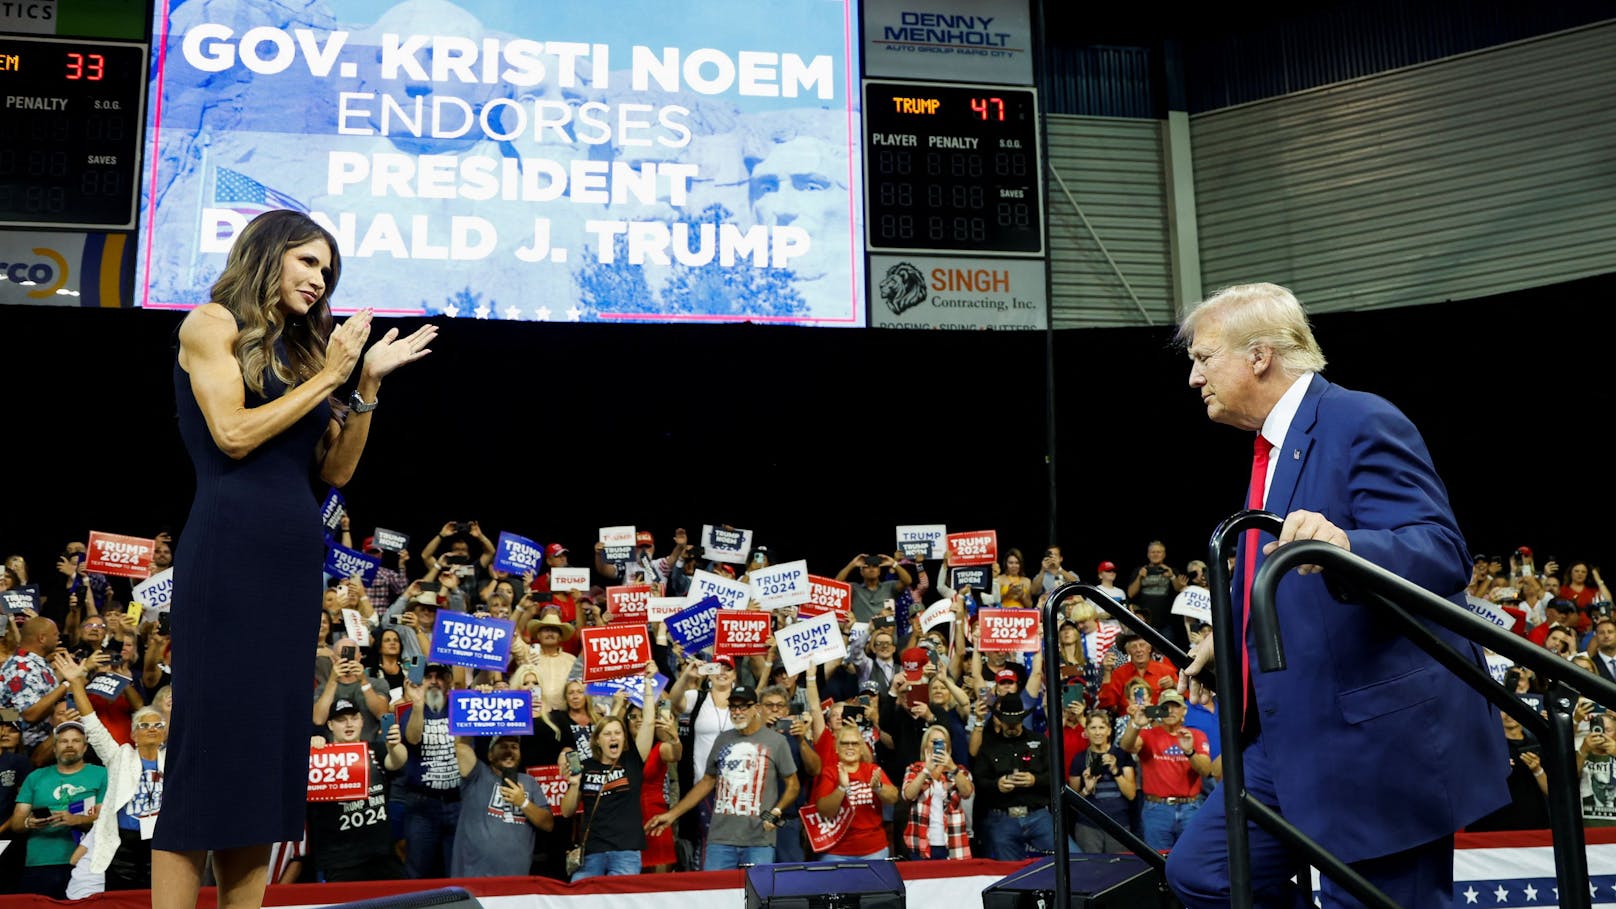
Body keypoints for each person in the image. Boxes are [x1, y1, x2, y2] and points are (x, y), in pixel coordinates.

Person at [1166, 282, 1508, 908]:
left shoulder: (1359, 419)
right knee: (1205, 873)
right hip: (1288, 733)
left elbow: (1440, 550)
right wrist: (1235, 628)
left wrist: (1347, 546)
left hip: (1377, 738)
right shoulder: (1271, 445)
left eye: (1203, 358)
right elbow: (1275, 567)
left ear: (1259, 355)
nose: (1194, 378)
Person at [158, 209, 436, 908]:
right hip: (227, 554)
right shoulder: (210, 324)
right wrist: (333, 375)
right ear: (268, 252)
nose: (319, 279)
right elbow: (231, 433)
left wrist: (364, 385)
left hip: (290, 565)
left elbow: (334, 470)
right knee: (210, 751)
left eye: (327, 270)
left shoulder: (303, 354)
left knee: (264, 761)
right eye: (308, 261)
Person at [645, 684, 799, 870]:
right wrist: (672, 815)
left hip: (758, 839)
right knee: (716, 896)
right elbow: (708, 781)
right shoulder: (723, 739)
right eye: (733, 707)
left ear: (756, 708)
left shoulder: (776, 741)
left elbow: (793, 785)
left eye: (743, 706)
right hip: (720, 838)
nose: (737, 712)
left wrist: (776, 811)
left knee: (756, 895)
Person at [56, 653, 166, 891]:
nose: (151, 729)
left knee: (158, 900)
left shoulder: (174, 760)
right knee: (121, 900)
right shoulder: (119, 756)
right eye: (143, 725)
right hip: (123, 842)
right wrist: (76, 683)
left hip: (162, 841)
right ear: (133, 734)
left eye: (158, 725)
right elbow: (92, 725)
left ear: (165, 734)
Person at [559, 663, 658, 878]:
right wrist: (574, 785)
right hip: (592, 852)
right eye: (608, 734)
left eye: (618, 733)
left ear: (624, 738)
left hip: (625, 851)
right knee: (579, 897)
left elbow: (649, 723)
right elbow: (566, 812)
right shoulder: (586, 766)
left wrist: (648, 684)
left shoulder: (632, 761)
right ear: (597, 740)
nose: (613, 737)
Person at [10, 720, 108, 897]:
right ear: (54, 748)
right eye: (63, 741)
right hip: (40, 861)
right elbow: (16, 823)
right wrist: (29, 822)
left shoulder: (102, 774)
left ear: (85, 747)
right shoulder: (35, 777)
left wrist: (77, 820)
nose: (69, 745)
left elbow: (107, 819)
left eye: (76, 741)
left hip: (86, 861)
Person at [449, 732, 554, 877]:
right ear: (490, 755)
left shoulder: (529, 782)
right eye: (503, 746)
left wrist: (522, 802)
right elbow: (461, 748)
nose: (509, 751)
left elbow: (548, 824)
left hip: (515, 882)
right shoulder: (478, 774)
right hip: (473, 876)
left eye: (514, 747)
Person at [1121, 690, 1208, 851]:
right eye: (1165, 707)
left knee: (1192, 858)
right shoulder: (1148, 735)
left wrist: (1190, 752)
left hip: (1191, 808)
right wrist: (1135, 724)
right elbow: (1126, 746)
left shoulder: (1196, 735)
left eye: (1175, 706)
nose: (1170, 711)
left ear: (1184, 710)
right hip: (1157, 809)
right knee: (1158, 862)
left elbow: (1206, 770)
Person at [973, 697, 1053, 861]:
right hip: (1003, 818)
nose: (1011, 727)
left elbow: (1055, 776)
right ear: (1000, 720)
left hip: (1038, 814)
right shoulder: (988, 745)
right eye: (1007, 722)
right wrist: (997, 785)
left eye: (1015, 722)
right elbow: (979, 781)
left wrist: (1034, 780)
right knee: (1008, 873)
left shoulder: (1039, 740)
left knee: (1072, 856)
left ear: (1022, 719)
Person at [899, 723, 974, 860]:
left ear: (948, 747)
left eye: (942, 742)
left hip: (954, 844)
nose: (937, 745)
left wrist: (952, 768)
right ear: (926, 746)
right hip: (921, 844)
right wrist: (926, 771)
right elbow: (908, 795)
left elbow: (967, 792)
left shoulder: (959, 771)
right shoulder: (915, 769)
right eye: (934, 742)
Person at [1070, 710, 1136, 853]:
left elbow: (1131, 794)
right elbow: (1073, 803)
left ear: (1109, 730)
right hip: (1089, 826)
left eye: (1101, 727)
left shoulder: (1122, 755)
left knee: (1119, 871)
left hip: (1119, 824)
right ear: (1086, 732)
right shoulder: (1079, 759)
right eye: (1093, 728)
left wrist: (1115, 771)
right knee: (1091, 870)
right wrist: (1086, 790)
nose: (1097, 732)